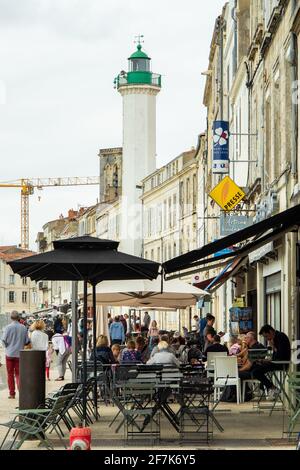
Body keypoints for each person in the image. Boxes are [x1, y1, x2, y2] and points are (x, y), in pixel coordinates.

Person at [251, 325, 291, 399]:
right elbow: (275, 357)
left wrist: (273, 346)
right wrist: (265, 360)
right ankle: (263, 389)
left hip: (281, 363)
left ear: (271, 332)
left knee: (256, 372)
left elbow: (281, 355)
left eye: (266, 336)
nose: (267, 339)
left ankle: (272, 388)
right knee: (255, 366)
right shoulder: (275, 337)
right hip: (276, 362)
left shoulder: (280, 337)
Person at [1, 311, 30, 398]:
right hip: (20, 354)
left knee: (10, 374)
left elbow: (3, 340)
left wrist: (7, 346)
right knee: (19, 374)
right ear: (18, 318)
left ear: (11, 318)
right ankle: (21, 392)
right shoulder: (23, 328)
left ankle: (12, 394)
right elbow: (27, 342)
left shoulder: (7, 328)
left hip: (9, 354)